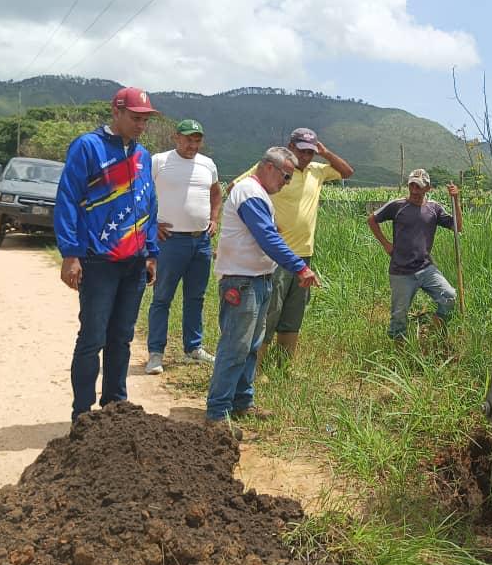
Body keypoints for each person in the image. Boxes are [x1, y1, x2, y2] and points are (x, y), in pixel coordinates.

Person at [55, 87, 159, 422]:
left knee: (122, 338)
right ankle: (82, 414)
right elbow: (67, 200)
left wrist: (151, 252)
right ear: (116, 112)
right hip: (98, 260)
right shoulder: (88, 147)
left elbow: (149, 204)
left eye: (145, 119)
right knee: (92, 337)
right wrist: (71, 254)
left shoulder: (142, 155)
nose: (141, 125)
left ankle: (115, 408)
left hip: (134, 262)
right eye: (135, 118)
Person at [206, 147, 320, 433]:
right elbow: (268, 237)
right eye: (286, 176)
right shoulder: (250, 192)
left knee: (252, 346)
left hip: (258, 279)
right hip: (241, 281)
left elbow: (267, 233)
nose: (287, 183)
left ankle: (242, 401)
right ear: (269, 167)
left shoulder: (259, 195)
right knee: (235, 347)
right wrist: (300, 267)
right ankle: (218, 412)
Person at [229, 127, 353, 364]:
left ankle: (283, 367)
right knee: (269, 312)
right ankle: (257, 368)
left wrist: (325, 153)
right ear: (291, 147)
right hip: (276, 254)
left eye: (310, 152)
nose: (306, 156)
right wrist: (262, 220)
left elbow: (347, 172)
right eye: (302, 151)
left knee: (293, 315)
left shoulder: (318, 170)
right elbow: (236, 188)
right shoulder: (275, 169)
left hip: (304, 254)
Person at [145, 119, 222, 375]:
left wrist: (214, 218)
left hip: (201, 241)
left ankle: (193, 348)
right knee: (162, 297)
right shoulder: (159, 161)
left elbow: (216, 193)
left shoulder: (208, 164)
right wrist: (151, 224)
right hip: (170, 240)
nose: (193, 145)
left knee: (195, 297)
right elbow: (141, 193)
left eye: (197, 140)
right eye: (188, 139)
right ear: (176, 137)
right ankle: (156, 353)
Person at [367, 169, 460, 340]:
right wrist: (386, 244)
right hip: (401, 271)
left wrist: (455, 199)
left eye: (419, 186)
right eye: (412, 186)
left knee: (449, 296)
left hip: (426, 268)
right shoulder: (398, 206)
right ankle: (399, 350)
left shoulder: (434, 208)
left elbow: (457, 227)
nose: (415, 191)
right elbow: (372, 219)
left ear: (428, 188)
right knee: (398, 316)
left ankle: (432, 329)